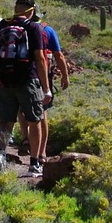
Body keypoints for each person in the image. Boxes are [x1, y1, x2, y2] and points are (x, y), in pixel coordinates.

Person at [0, 0, 52, 177]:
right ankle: (34, 163)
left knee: (6, 120)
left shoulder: (1, 26)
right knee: (34, 120)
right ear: (31, 10)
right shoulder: (33, 27)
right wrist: (46, 87)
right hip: (28, 79)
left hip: (4, 81)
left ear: (16, 8)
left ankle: (0, 154)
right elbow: (40, 59)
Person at [20, 12, 70, 158]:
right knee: (42, 113)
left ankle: (24, 138)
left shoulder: (18, 28)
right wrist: (65, 75)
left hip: (23, 76)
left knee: (22, 109)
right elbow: (58, 55)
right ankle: (41, 153)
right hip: (42, 77)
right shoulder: (47, 30)